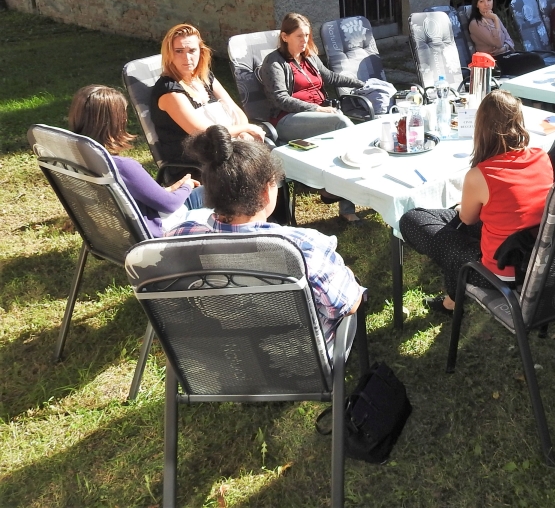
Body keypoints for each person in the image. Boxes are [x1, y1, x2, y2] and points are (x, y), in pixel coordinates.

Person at [167, 125, 364, 342]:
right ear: (265, 193)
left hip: (219, 354)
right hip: (295, 355)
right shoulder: (304, 247)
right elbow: (348, 305)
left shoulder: (179, 238)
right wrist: (344, 272)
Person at [399, 90, 553, 315]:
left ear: (481, 127)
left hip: (502, 273)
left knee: (413, 220)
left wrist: (464, 208)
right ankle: (452, 296)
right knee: (453, 225)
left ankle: (452, 300)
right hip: (536, 255)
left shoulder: (479, 175)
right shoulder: (542, 156)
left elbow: (468, 218)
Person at [68, 85, 210, 237]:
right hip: (161, 228)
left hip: (123, 232)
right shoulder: (122, 166)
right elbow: (169, 204)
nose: (126, 119)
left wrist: (170, 189)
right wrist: (187, 185)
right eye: (123, 114)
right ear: (115, 121)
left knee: (212, 190)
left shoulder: (75, 159)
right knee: (221, 195)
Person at [262, 12, 364, 222]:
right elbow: (280, 99)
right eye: (299, 36)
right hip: (287, 120)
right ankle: (346, 195)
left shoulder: (308, 57)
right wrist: (316, 109)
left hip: (317, 117)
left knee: (341, 130)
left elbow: (330, 77)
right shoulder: (274, 62)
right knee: (341, 123)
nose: (304, 40)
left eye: (307, 35)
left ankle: (339, 197)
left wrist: (362, 84)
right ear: (285, 36)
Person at [150, 23, 265, 177]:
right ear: (169, 54)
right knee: (259, 172)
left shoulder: (204, 77)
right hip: (194, 164)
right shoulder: (169, 91)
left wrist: (243, 131)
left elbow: (235, 110)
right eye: (179, 51)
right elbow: (204, 132)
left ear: (201, 51)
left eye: (192, 50)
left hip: (221, 150)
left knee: (269, 164)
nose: (187, 58)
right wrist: (246, 128)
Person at [467, 0, 546, 76]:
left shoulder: (493, 17)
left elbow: (509, 40)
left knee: (535, 59)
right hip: (494, 63)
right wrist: (496, 19)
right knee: (535, 61)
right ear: (477, 4)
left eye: (489, 0)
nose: (486, 4)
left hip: (507, 55)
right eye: (481, 1)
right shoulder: (475, 23)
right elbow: (498, 43)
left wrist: (504, 48)